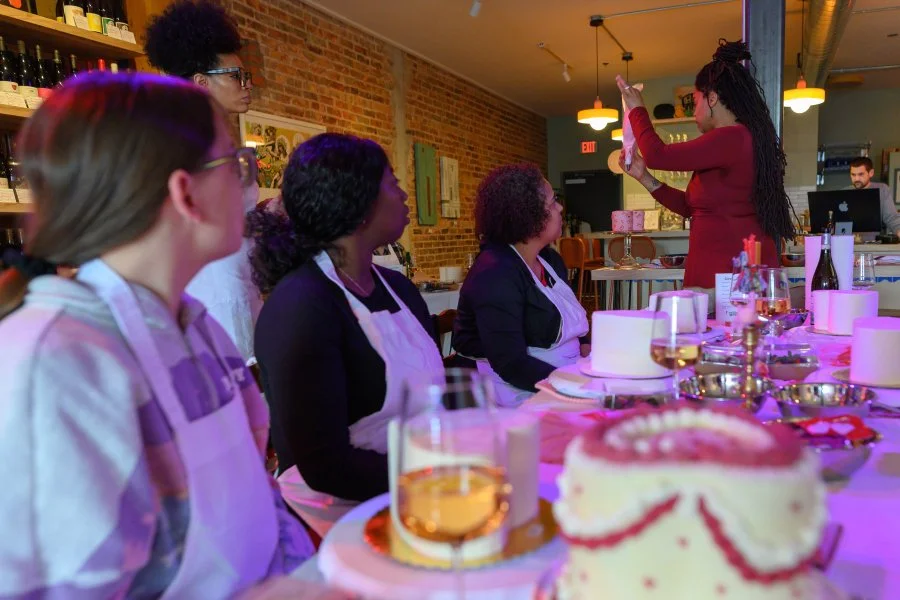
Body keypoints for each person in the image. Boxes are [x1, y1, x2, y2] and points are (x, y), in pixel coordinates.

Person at [0, 73, 317, 598]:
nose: (249, 183)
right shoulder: (55, 364)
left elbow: (261, 503)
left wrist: (309, 580)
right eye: (236, 164)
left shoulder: (200, 329)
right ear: (186, 193)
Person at [249, 133, 444, 537]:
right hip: (336, 517)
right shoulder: (301, 305)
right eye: (393, 183)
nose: (405, 195)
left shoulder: (397, 287)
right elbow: (327, 467)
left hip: (417, 485)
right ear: (359, 202)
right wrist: (440, 469)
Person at [617, 39, 795, 290]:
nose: (695, 110)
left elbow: (658, 155)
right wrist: (643, 176)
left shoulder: (732, 137)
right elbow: (692, 208)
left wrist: (636, 109)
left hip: (729, 271)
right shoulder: (740, 138)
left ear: (712, 98)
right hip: (725, 268)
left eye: (696, 100)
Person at [145, 0, 261, 361]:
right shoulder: (185, 145)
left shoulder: (220, 142)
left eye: (245, 76)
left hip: (242, 279)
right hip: (214, 286)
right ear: (200, 82)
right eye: (233, 76)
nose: (246, 86)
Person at [452, 163, 590, 407]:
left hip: (566, 379)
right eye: (552, 202)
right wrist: (575, 387)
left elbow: (570, 323)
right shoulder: (495, 274)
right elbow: (511, 364)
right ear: (527, 215)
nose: (560, 207)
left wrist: (593, 357)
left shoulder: (549, 260)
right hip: (516, 393)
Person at [847, 156, 900, 236]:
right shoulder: (845, 192)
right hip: (847, 242)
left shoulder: (882, 189)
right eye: (853, 175)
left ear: (871, 173)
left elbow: (892, 218)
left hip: (873, 244)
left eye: (861, 174)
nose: (856, 178)